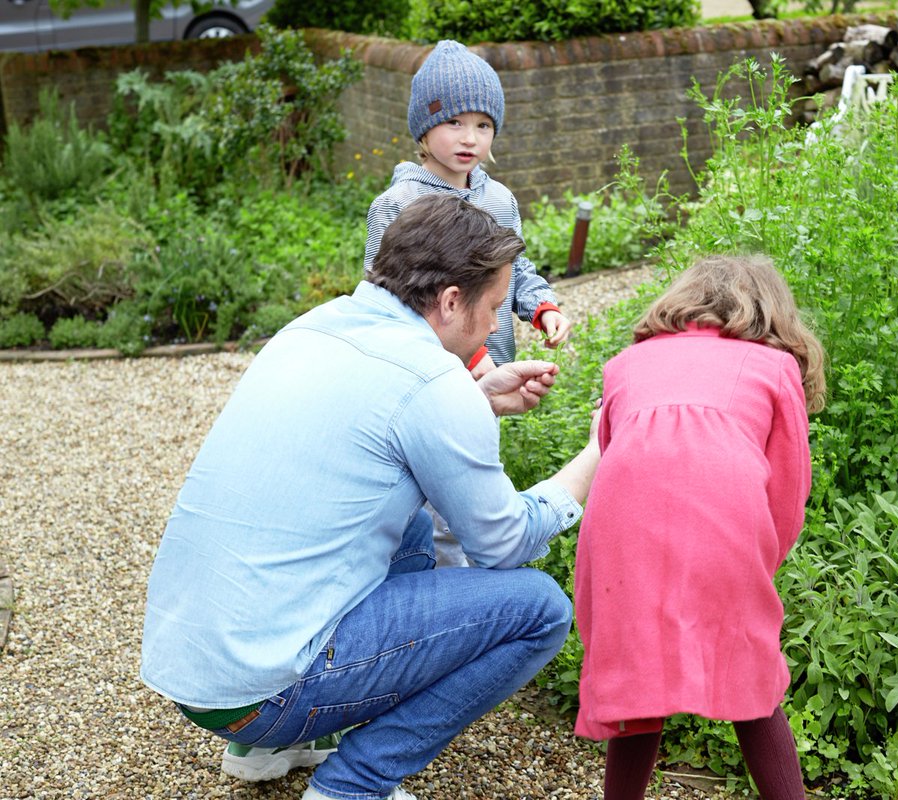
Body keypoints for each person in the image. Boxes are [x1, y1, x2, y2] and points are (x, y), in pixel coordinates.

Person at [140, 193, 602, 800]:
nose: (495, 326)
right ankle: (355, 784)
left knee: (403, 522)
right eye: (493, 308)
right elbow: (503, 544)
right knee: (540, 609)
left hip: (192, 667)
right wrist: (598, 452)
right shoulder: (432, 382)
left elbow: (374, 432)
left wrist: (477, 397)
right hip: (261, 693)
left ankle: (271, 749)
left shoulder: (315, 326)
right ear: (451, 301)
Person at [572, 254, 826, 800]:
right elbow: (787, 494)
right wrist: (757, 567)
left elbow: (617, 463)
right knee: (751, 677)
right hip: (729, 528)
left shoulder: (625, 364)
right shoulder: (774, 369)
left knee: (636, 681)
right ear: (769, 311)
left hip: (619, 539)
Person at [363, 38, 573, 568]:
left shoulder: (497, 199)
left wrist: (541, 305)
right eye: (454, 123)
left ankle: (478, 569)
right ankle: (436, 578)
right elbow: (383, 296)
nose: (469, 138)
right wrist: (464, 355)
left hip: (488, 363)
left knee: (473, 473)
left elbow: (517, 268)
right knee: (426, 489)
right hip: (426, 373)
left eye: (483, 126)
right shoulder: (398, 205)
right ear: (423, 129)